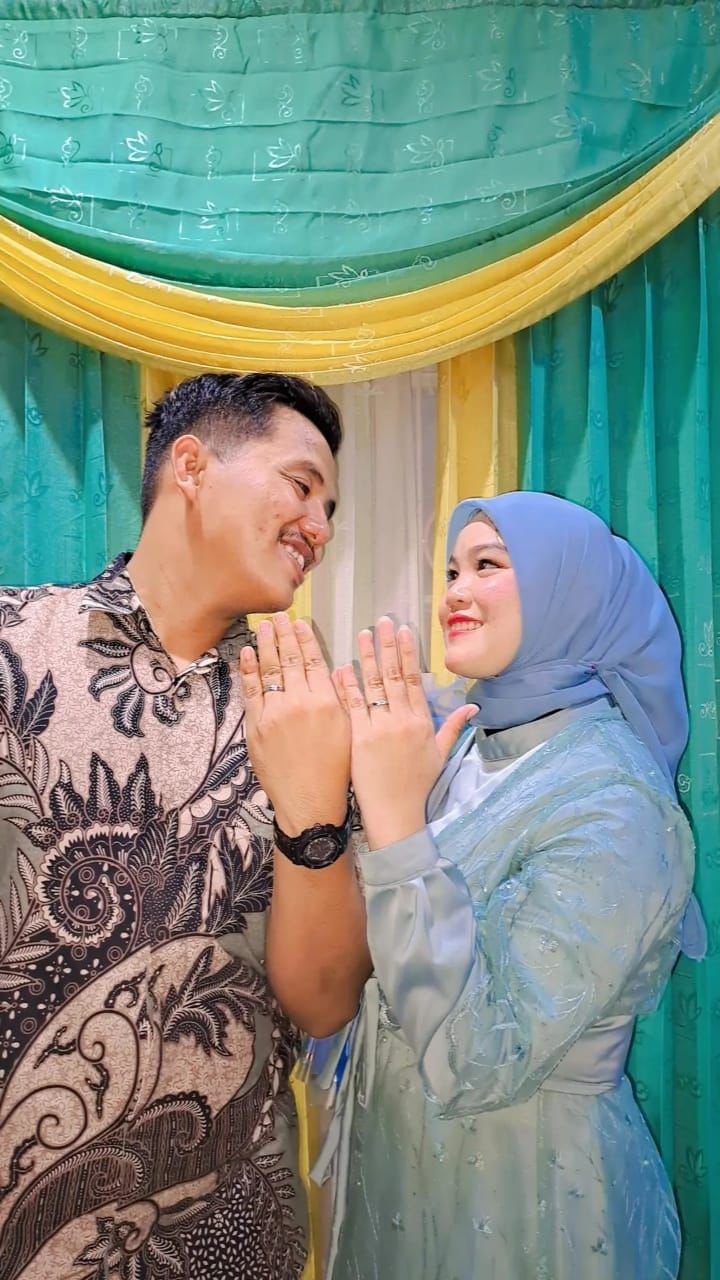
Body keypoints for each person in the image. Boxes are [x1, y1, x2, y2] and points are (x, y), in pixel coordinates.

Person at [0, 372, 369, 1280]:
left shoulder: (310, 710)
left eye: (330, 509)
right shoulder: (13, 649)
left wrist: (312, 813)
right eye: (300, 485)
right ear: (192, 467)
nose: (319, 527)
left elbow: (324, 1003)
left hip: (229, 1240)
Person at [314, 491, 702, 1280]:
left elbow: (480, 1059)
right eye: (452, 571)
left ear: (570, 593)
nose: (454, 592)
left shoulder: (615, 803)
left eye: (487, 565)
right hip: (399, 1174)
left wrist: (397, 825)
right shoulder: (466, 744)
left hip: (531, 1200)